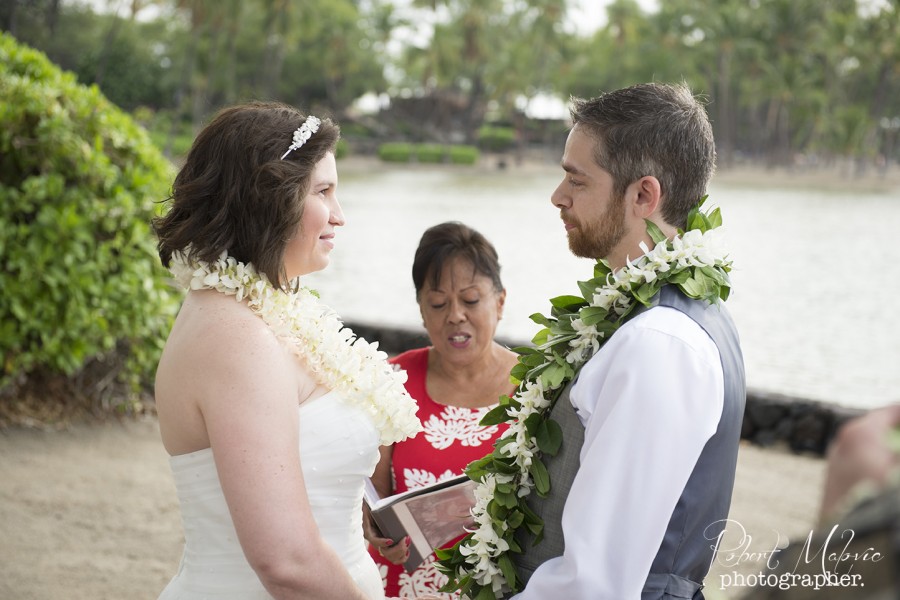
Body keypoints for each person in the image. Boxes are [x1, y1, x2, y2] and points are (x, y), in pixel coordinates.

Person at [152, 101, 428, 600]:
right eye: (323, 192)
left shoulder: (264, 314)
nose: (340, 217)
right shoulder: (236, 337)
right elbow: (286, 562)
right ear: (267, 198)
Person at [497, 83, 746, 599]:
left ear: (643, 196)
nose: (557, 196)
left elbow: (594, 584)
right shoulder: (663, 315)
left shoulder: (659, 342)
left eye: (576, 180)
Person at [364, 222, 519, 597]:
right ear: (421, 310)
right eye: (438, 303)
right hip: (401, 585)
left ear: (499, 301)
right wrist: (372, 527)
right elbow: (373, 495)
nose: (454, 315)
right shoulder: (391, 380)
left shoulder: (534, 387)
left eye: (469, 300)